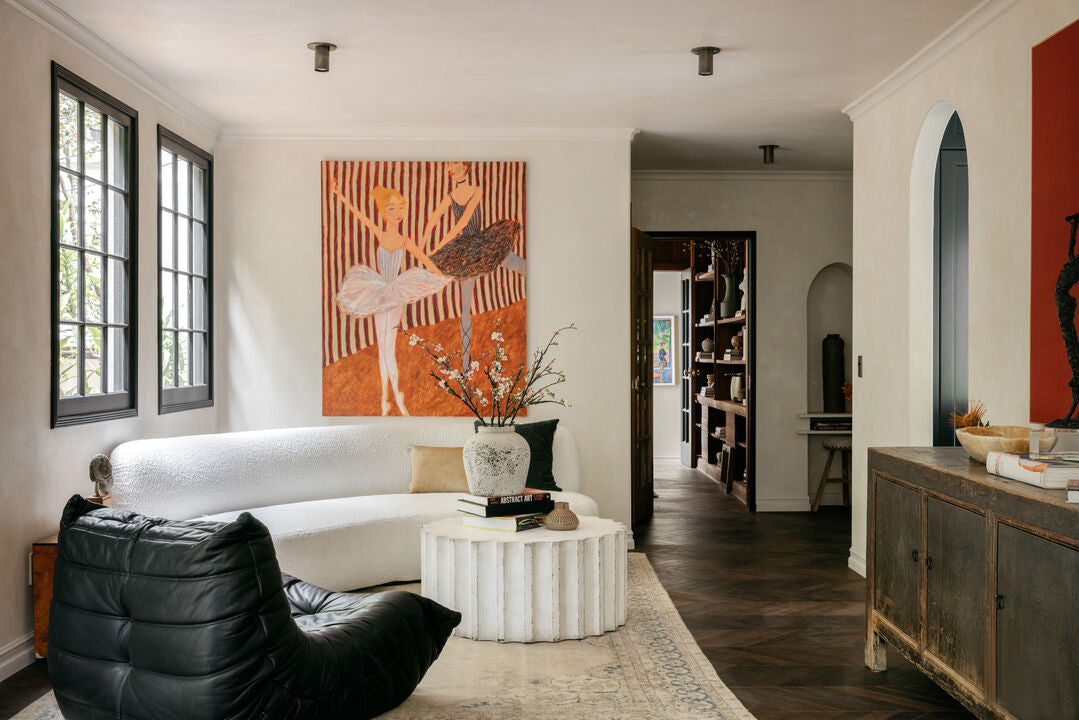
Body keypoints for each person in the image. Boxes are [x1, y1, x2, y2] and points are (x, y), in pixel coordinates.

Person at [330, 176, 448, 416]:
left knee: (389, 347)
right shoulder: (381, 234)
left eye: (400, 208)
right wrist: (341, 196)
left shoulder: (405, 240)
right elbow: (359, 216)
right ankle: (386, 397)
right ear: (383, 212)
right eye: (391, 208)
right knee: (382, 346)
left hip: (394, 292)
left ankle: (395, 395)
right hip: (377, 290)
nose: (397, 212)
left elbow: (426, 262)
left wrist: (444, 275)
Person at [421, 161, 525, 367]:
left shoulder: (476, 190)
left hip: (483, 244)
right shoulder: (450, 197)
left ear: (466, 167)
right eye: (449, 165)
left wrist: (438, 246)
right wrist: (423, 244)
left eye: (455, 164)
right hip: (465, 253)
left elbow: (463, 221)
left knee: (518, 265)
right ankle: (466, 363)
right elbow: (434, 218)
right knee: (465, 308)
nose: (450, 168)